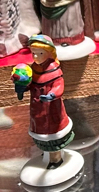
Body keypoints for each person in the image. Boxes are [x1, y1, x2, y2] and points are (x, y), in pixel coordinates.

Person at [13, 35, 74, 168]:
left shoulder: (55, 70)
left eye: (40, 53)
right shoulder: (34, 69)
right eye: (33, 53)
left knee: (54, 133)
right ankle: (47, 152)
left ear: (49, 53)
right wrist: (21, 86)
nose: (36, 57)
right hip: (37, 108)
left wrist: (51, 95)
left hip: (51, 109)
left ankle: (55, 158)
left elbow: (59, 86)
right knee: (40, 132)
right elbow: (31, 84)